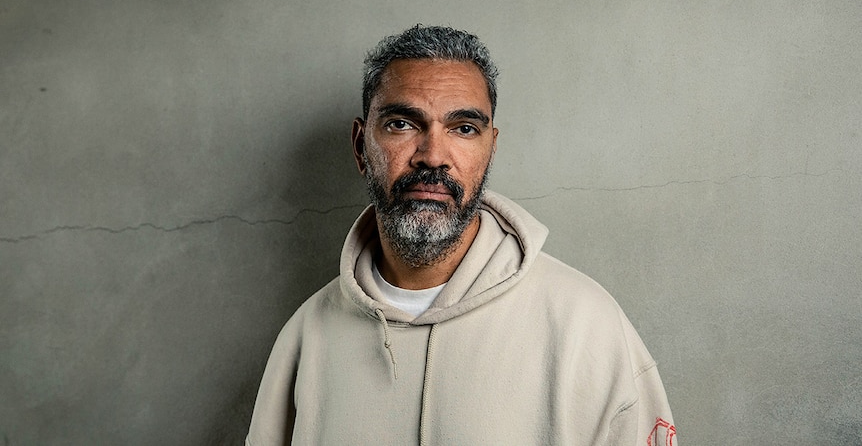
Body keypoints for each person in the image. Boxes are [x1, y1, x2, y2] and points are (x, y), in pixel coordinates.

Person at [246, 25, 677, 445]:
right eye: (402, 124)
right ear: (361, 146)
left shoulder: (588, 327)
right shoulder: (305, 338)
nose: (433, 156)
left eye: (464, 128)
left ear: (490, 148)